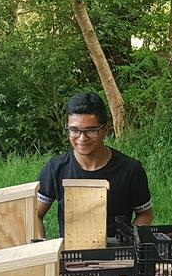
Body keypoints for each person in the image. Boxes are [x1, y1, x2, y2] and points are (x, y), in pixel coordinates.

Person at [36, 92, 153, 240]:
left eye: (91, 130)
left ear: (105, 130)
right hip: (71, 256)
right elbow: (35, 214)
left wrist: (127, 242)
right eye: (74, 130)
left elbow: (145, 214)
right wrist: (40, 244)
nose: (82, 138)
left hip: (118, 255)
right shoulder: (56, 169)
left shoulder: (130, 170)